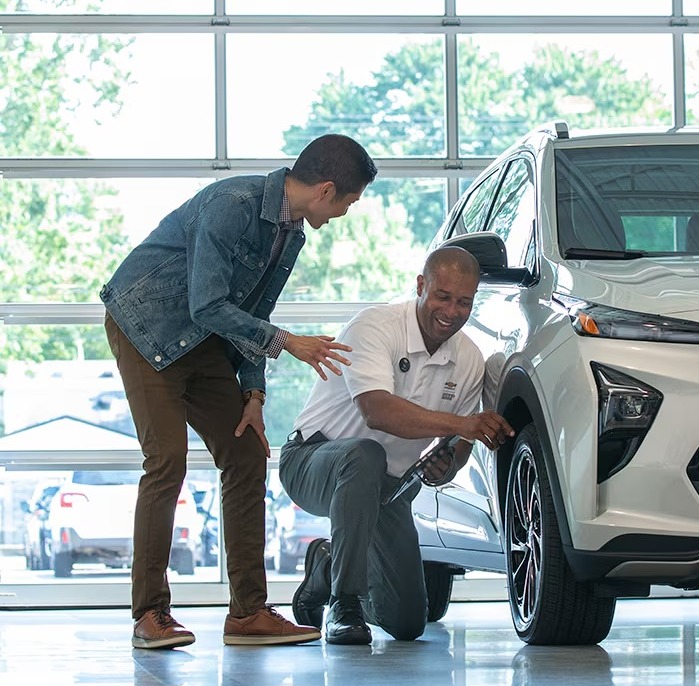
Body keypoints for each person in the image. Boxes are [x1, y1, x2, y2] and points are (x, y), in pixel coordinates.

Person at [101, 134, 378, 649]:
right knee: (167, 460)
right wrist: (288, 344)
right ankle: (150, 615)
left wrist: (253, 395)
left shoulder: (291, 233)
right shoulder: (233, 206)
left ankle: (248, 613)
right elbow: (209, 304)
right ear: (325, 190)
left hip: (202, 339)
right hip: (146, 328)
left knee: (247, 452)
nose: (346, 212)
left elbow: (254, 314)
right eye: (349, 201)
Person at [279, 246, 514, 645]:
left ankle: (327, 566)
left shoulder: (470, 359)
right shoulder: (375, 326)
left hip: (388, 487)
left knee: (407, 623)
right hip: (313, 461)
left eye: (464, 302)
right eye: (443, 296)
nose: (452, 311)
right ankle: (344, 603)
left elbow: (457, 444)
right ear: (421, 285)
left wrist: (449, 465)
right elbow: (377, 412)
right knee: (364, 454)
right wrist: (464, 425)